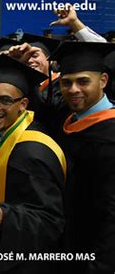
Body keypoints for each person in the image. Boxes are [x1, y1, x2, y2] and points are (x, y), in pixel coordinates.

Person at [0, 55, 67, 273]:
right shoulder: (2, 135)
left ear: (23, 104)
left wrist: (6, 216)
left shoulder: (32, 151)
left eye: (5, 100)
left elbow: (51, 221)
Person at [50, 41, 115, 273]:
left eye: (83, 81)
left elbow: (111, 210)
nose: (73, 89)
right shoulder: (69, 120)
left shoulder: (109, 134)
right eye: (66, 83)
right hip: (67, 240)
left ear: (103, 81)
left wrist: (101, 265)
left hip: (95, 252)